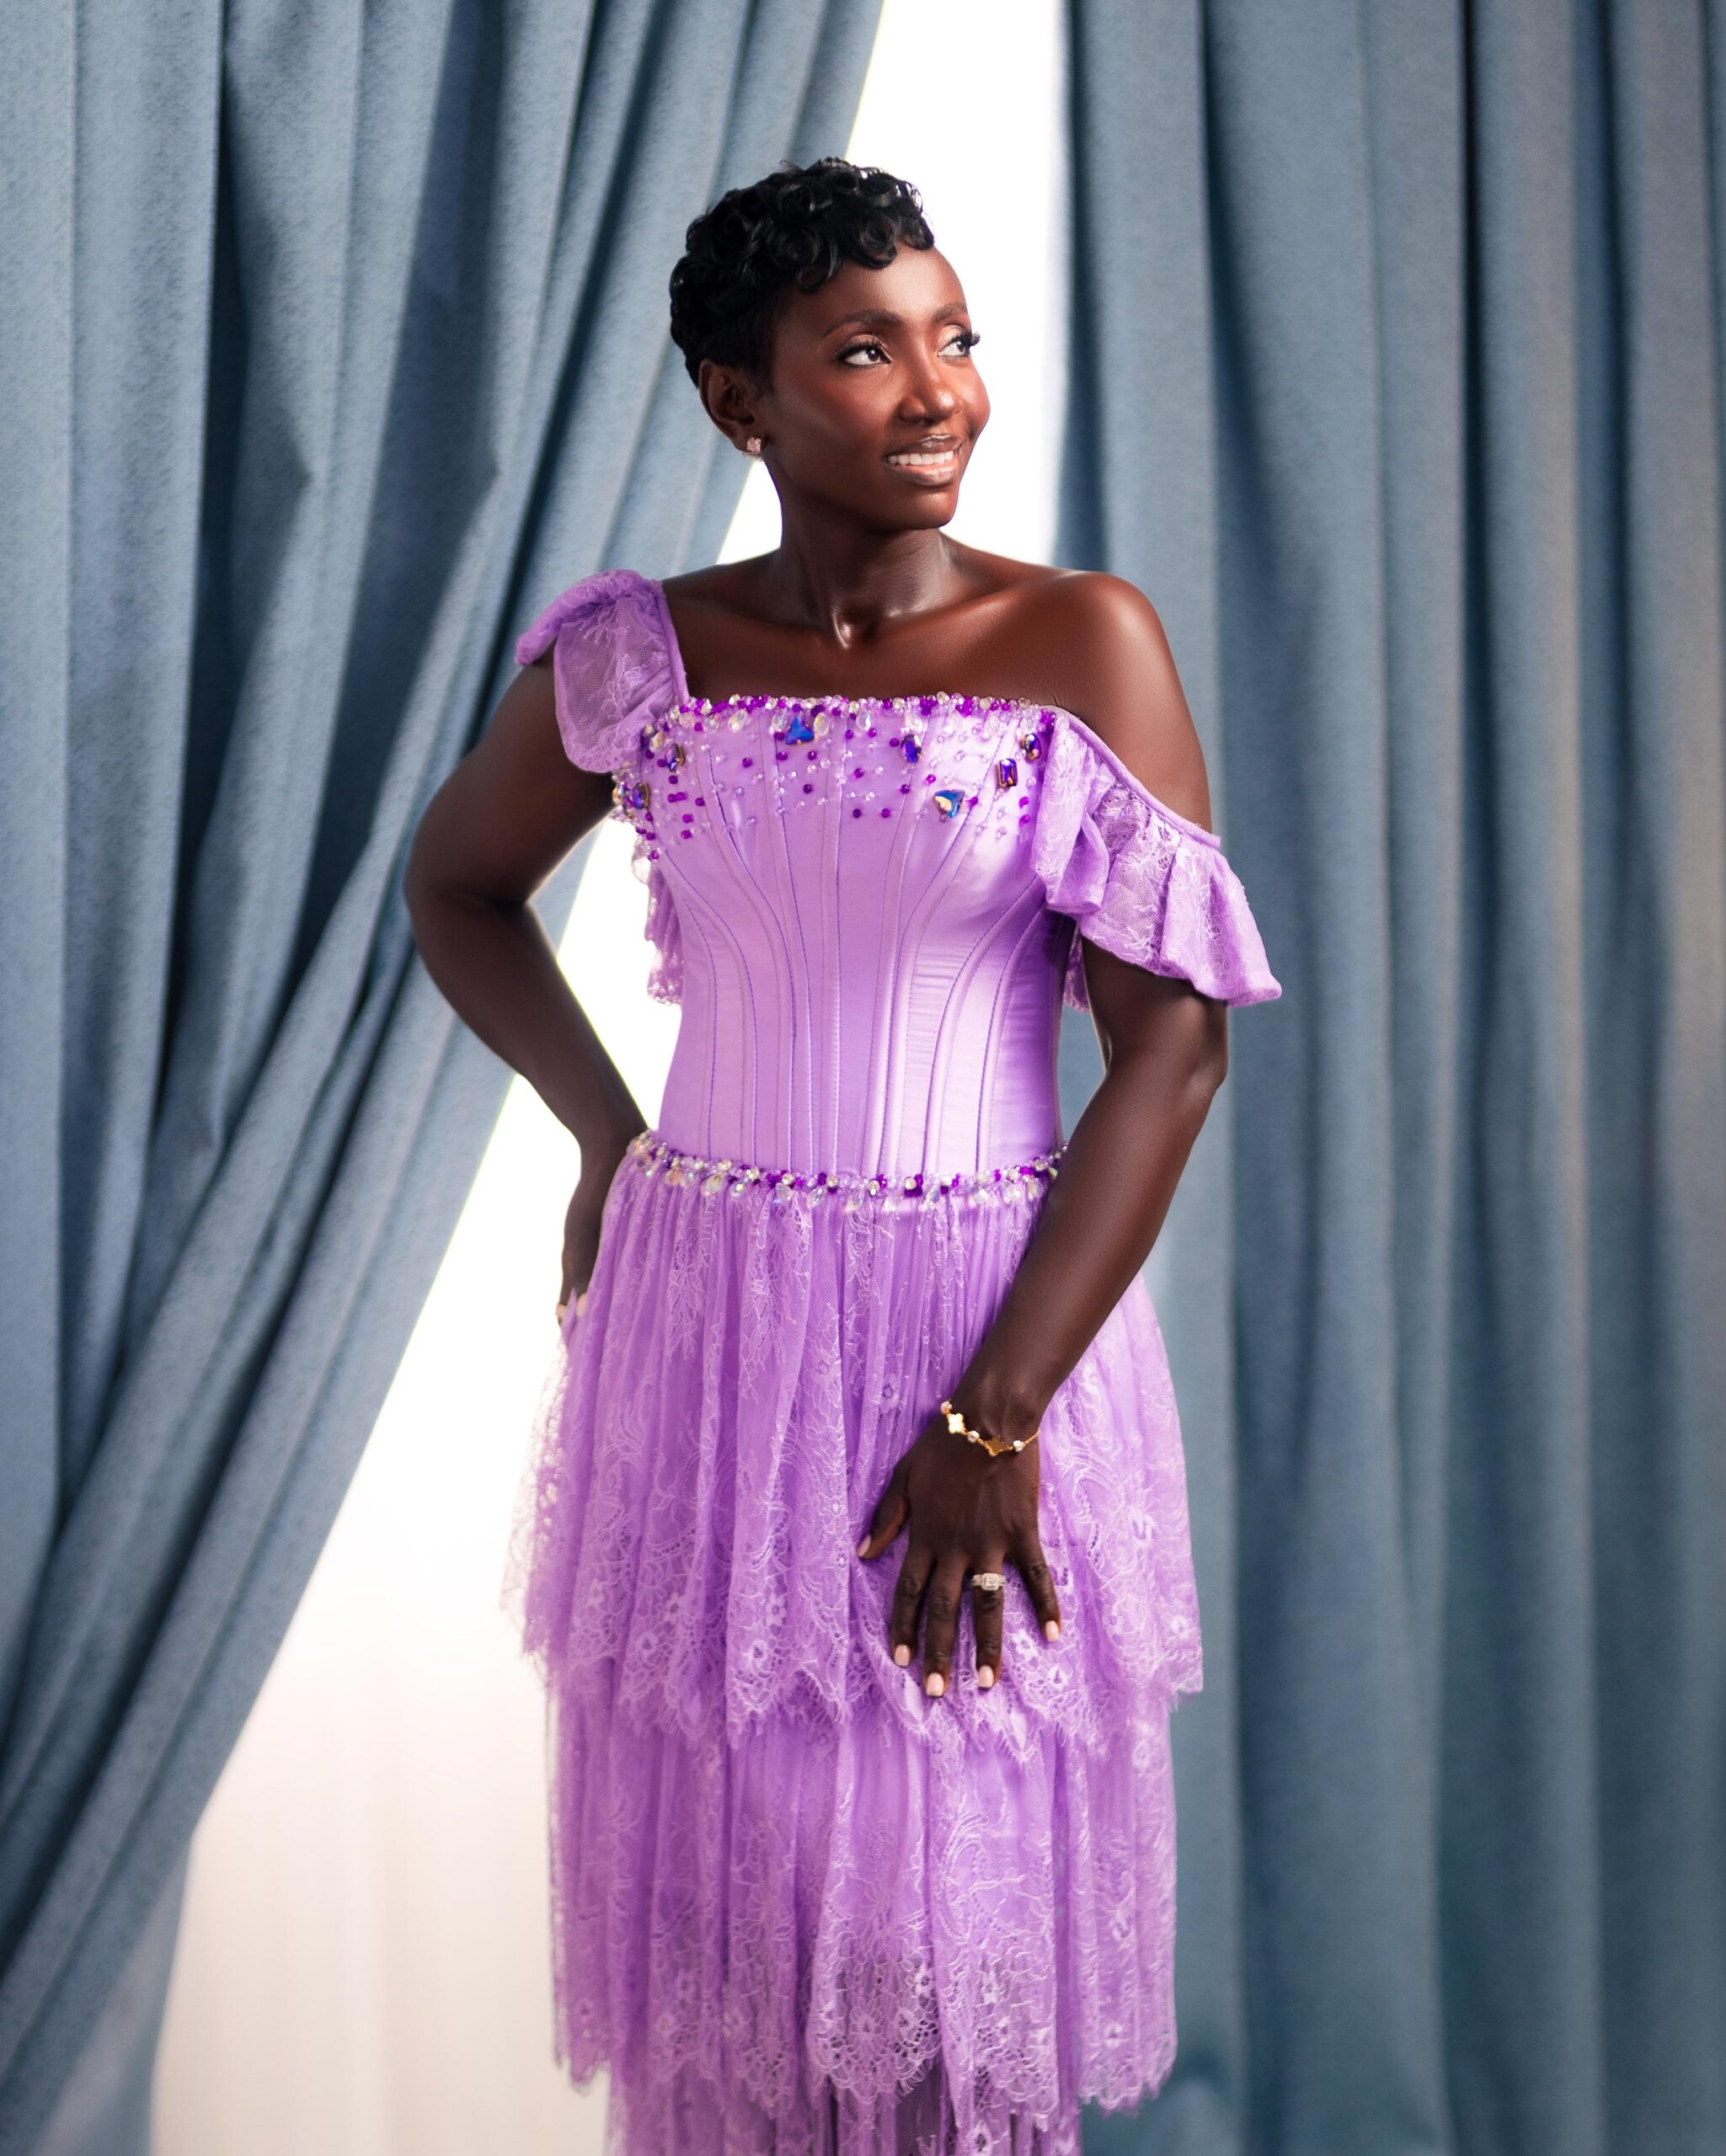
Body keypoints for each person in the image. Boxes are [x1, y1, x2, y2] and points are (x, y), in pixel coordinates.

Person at [405, 156, 1280, 2156]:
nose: (937, 388)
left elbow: (1170, 1050)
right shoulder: (643, 652)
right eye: (866, 349)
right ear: (742, 399)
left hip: (986, 1330)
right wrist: (608, 1133)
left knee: (942, 1937)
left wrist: (993, 1415)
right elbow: (457, 885)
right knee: (741, 1916)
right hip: (706, 1335)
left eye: (952, 337)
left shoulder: (1080, 640)